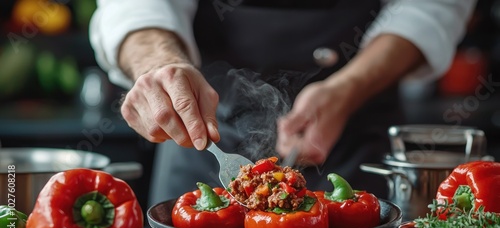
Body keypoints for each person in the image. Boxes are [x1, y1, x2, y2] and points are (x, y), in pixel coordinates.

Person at [89, 0, 477, 206]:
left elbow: (434, 6)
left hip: (357, 125)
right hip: (198, 128)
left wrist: (347, 89)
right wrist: (161, 64)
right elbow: (133, 5)